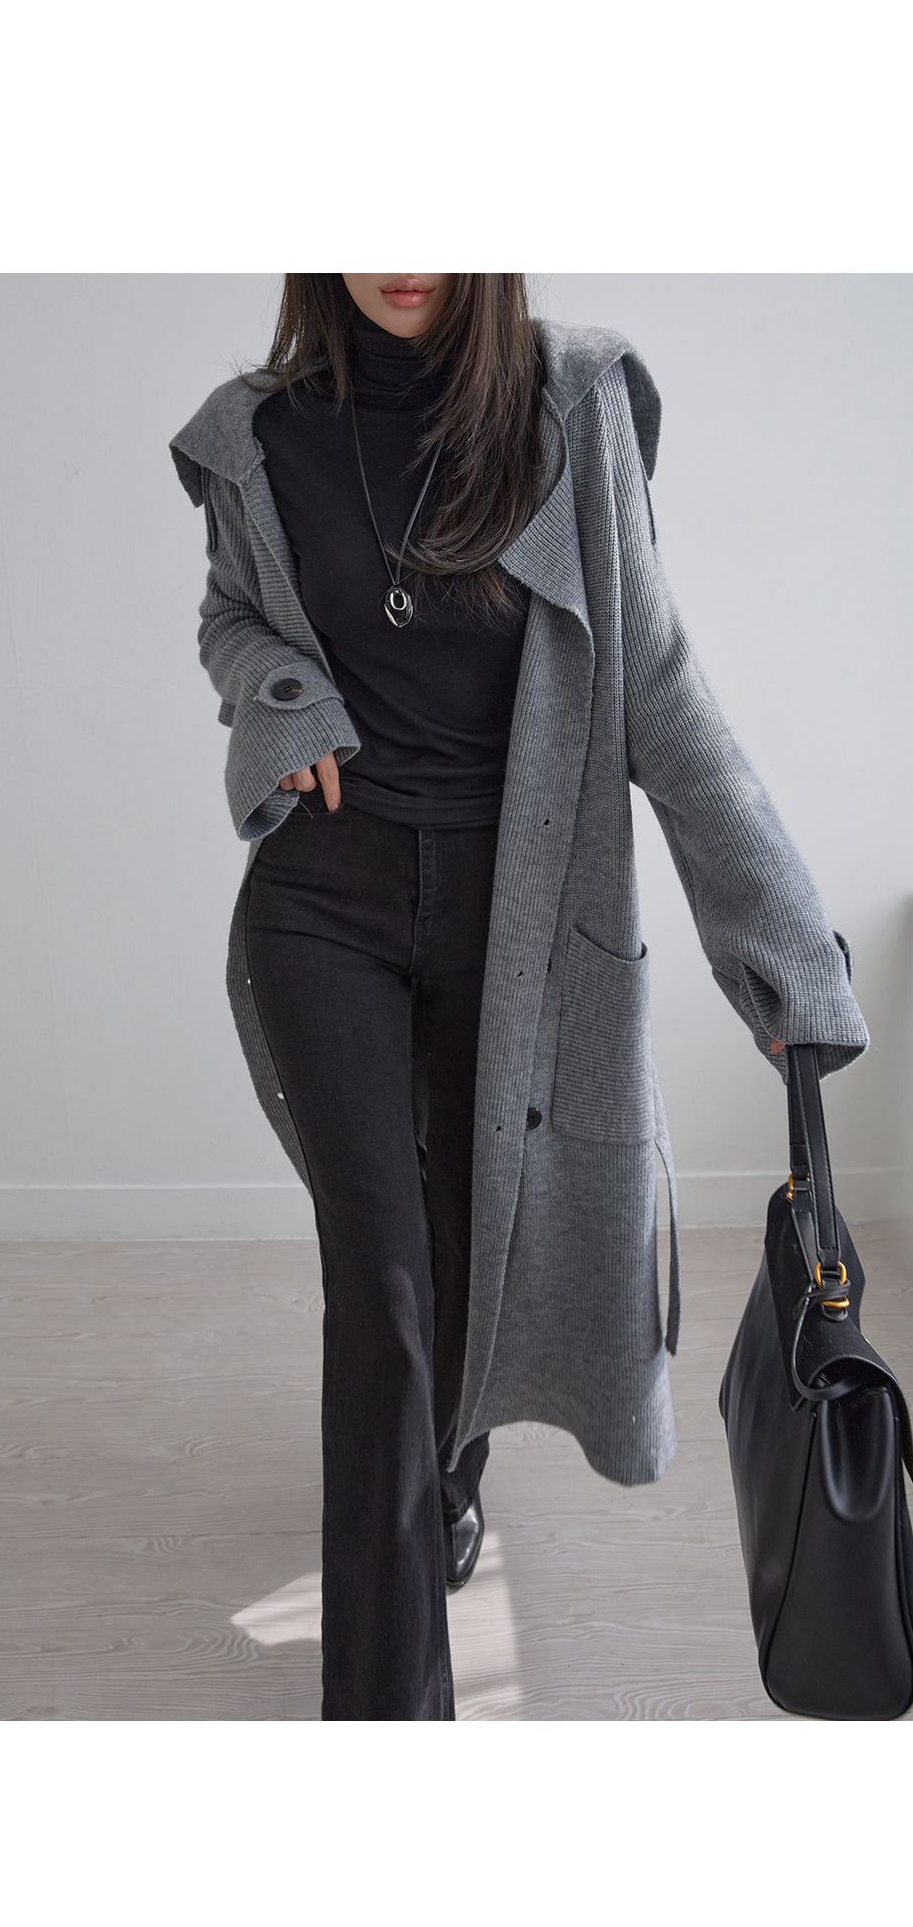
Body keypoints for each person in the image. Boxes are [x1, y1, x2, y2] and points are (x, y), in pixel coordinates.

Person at [171, 270, 869, 1721]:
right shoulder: (258, 431)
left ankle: (442, 1470)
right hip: (324, 902)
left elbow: (652, 680)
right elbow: (233, 615)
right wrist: (284, 694)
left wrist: (783, 941)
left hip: (520, 917)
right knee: (382, 1278)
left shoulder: (572, 402)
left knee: (466, 1247)